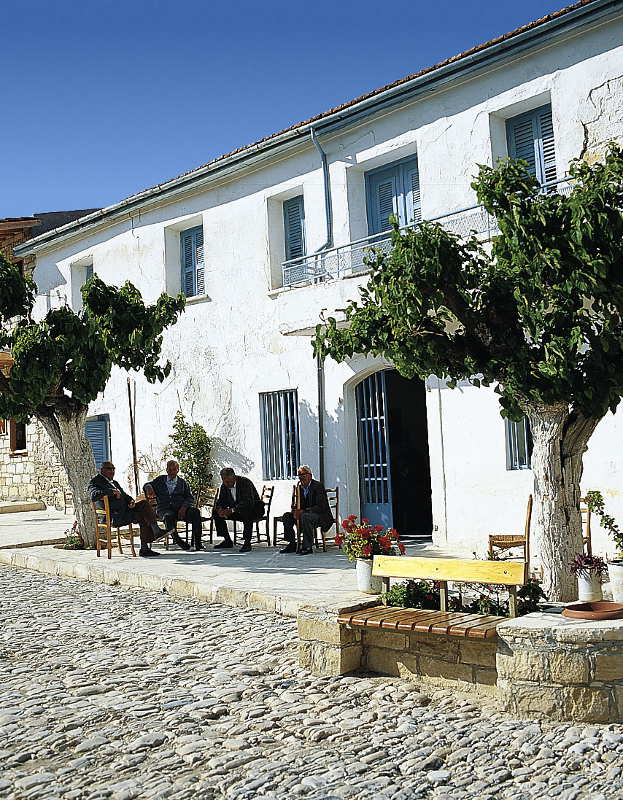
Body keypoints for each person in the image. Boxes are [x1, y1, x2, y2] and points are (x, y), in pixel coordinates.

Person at [88, 461, 164, 558]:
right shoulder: (95, 482)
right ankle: (148, 543)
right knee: (143, 515)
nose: (112, 471)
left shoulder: (114, 483)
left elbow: (125, 495)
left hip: (124, 511)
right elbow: (93, 496)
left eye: (113, 469)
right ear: (102, 470)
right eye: (109, 469)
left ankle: (155, 531)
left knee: (144, 504)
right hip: (113, 516)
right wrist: (111, 492)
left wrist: (131, 501)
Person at [144, 460, 204, 551]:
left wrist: (184, 508)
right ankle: (180, 543)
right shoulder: (160, 480)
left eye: (174, 469)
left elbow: (190, 498)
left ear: (177, 470)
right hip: (164, 509)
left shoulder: (182, 482)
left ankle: (198, 543)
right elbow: (147, 484)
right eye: (169, 469)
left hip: (180, 508)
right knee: (168, 516)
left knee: (195, 512)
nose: (172, 472)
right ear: (166, 470)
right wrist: (148, 488)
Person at [280, 465, 334, 555]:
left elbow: (321, 506)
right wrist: (295, 510)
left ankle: (307, 546)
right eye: (299, 475)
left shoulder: (318, 486)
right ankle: (292, 544)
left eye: (303, 474)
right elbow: (298, 505)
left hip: (320, 515)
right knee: (287, 516)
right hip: (305, 514)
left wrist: (304, 511)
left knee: (305, 516)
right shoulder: (299, 488)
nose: (301, 477)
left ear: (310, 475)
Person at [212, 467, 264, 553]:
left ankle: (247, 543)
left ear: (234, 477)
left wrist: (232, 510)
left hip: (254, 509)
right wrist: (220, 509)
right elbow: (221, 500)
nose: (227, 484)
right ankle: (227, 540)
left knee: (247, 513)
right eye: (224, 481)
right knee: (215, 513)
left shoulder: (245, 482)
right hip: (236, 510)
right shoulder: (224, 486)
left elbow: (248, 502)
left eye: (229, 481)